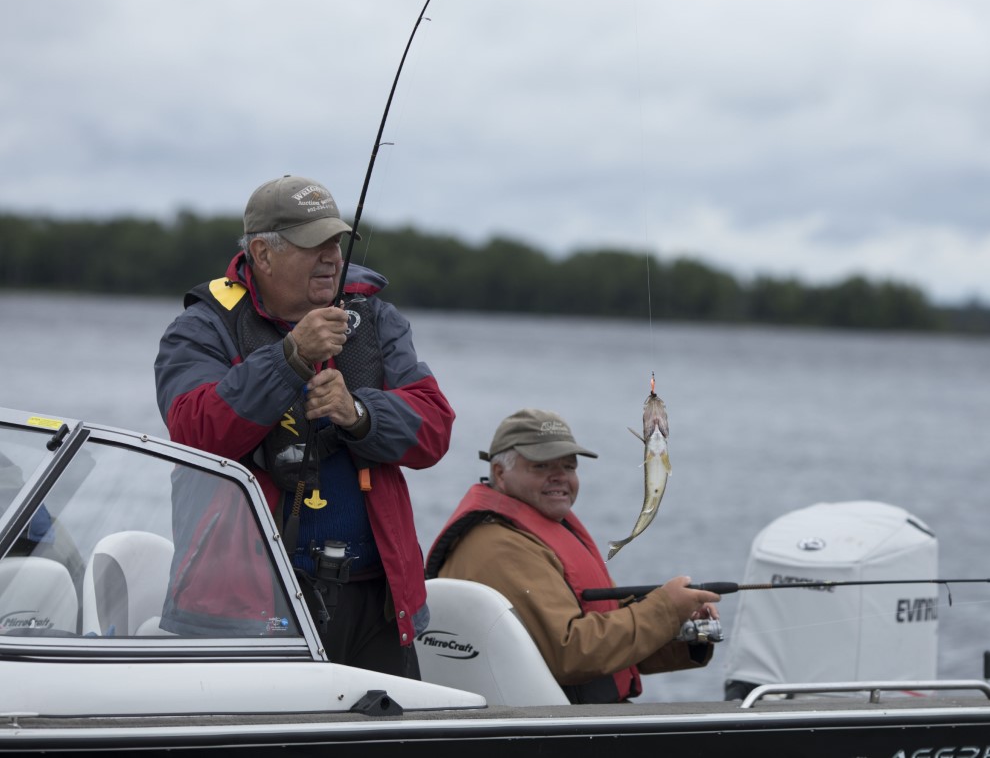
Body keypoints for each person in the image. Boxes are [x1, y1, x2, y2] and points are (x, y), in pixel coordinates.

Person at [154, 174, 454, 677]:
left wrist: (360, 414)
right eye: (313, 243)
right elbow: (194, 433)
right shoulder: (202, 327)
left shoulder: (375, 319)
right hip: (246, 609)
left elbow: (434, 431)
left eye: (336, 241)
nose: (332, 256)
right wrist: (290, 358)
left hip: (376, 603)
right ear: (262, 254)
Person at [425, 408, 719, 703]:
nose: (560, 477)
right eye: (541, 467)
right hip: (548, 729)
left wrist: (681, 626)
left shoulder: (527, 530)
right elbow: (571, 652)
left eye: (569, 466)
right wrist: (664, 609)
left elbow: (607, 641)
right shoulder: (499, 546)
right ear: (500, 473)